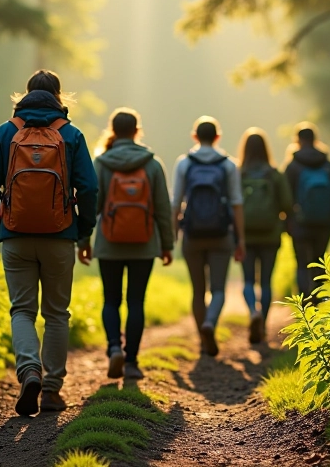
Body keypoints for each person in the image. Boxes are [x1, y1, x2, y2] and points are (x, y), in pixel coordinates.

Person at [0, 70, 98, 417]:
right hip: (60, 236)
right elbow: (89, 190)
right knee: (57, 313)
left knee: (22, 310)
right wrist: (83, 229)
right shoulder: (71, 134)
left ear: (25, 95)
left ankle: (30, 370)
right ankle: (51, 391)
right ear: (60, 98)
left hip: (16, 236)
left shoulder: (6, 132)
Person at [86, 108, 175, 380]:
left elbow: (92, 205)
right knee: (136, 301)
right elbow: (162, 208)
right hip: (144, 242)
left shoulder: (102, 162)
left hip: (109, 243)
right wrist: (167, 245)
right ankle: (132, 362)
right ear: (137, 131)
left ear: (113, 130)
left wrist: (83, 240)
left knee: (111, 300)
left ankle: (114, 348)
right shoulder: (152, 163)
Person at [171, 116, 245, 357]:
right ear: (217, 137)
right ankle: (210, 324)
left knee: (197, 290)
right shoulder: (228, 165)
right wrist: (240, 238)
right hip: (221, 233)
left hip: (192, 233)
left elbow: (176, 202)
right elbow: (236, 203)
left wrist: (173, 232)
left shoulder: (184, 163)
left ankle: (203, 342)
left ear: (195, 136)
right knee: (219, 289)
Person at [237, 128, 293, 344]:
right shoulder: (274, 174)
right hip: (270, 235)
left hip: (246, 236)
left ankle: (253, 312)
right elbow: (287, 204)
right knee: (266, 281)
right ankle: (263, 324)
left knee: (249, 279)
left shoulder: (239, 174)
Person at [283, 122, 330, 300]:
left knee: (302, 263)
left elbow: (286, 197)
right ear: (314, 139)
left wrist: (287, 220)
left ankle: (304, 299)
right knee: (319, 260)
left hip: (300, 222)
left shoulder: (293, 166)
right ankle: (318, 299)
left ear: (298, 140)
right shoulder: (327, 164)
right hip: (324, 221)